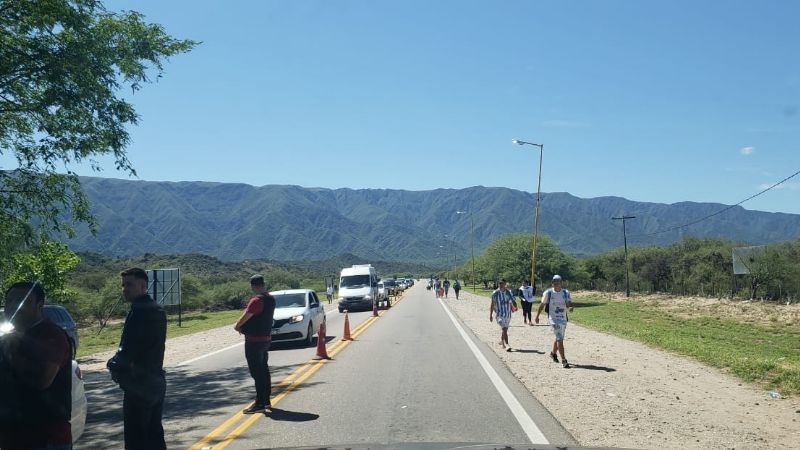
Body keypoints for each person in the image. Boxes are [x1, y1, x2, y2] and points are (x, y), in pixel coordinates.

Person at [0, 281, 72, 450]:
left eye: (21, 301)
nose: (13, 306)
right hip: (13, 436)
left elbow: (43, 380)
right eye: (9, 301)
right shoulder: (10, 337)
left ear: (39, 305)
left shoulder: (50, 334)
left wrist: (12, 353)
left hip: (46, 438)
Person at [107, 268, 167, 450]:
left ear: (143, 286)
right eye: (123, 285)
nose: (125, 289)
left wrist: (113, 365)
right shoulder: (157, 308)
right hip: (156, 380)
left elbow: (129, 349)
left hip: (139, 384)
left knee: (136, 440)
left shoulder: (139, 311)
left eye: (129, 284)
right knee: (154, 436)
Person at [234, 274, 276, 414]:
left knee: (257, 373)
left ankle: (260, 403)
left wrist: (237, 326)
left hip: (254, 341)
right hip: (266, 339)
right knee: (264, 370)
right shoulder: (270, 299)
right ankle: (266, 400)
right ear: (263, 284)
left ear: (253, 286)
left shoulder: (256, 300)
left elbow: (246, 316)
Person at [535, 275, 574, 368]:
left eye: (558, 282)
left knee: (559, 338)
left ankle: (553, 353)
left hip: (563, 318)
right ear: (552, 283)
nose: (556, 283)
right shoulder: (548, 293)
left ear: (561, 283)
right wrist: (537, 316)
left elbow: (568, 303)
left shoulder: (565, 292)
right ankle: (564, 360)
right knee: (560, 339)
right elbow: (542, 305)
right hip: (553, 319)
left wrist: (570, 307)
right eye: (554, 282)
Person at [489, 279, 516, 352]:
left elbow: (513, 301)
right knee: (504, 329)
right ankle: (507, 345)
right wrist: (490, 315)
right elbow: (492, 304)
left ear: (505, 284)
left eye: (502, 283)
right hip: (499, 315)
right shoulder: (495, 293)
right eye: (500, 283)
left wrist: (514, 306)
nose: (501, 285)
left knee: (505, 330)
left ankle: (502, 341)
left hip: (508, 315)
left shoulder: (509, 292)